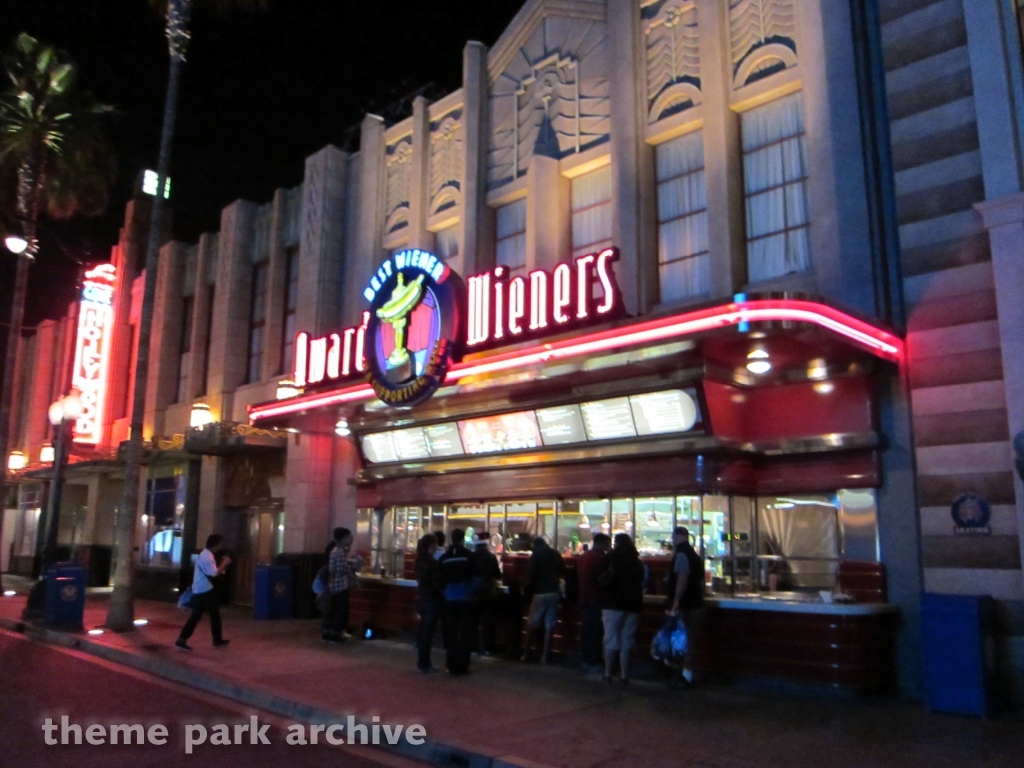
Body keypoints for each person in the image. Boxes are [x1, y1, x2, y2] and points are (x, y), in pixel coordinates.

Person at [596, 533, 645, 685]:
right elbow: (642, 581)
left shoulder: (609, 558)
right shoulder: (637, 562)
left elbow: (600, 578)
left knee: (610, 638)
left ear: (616, 543)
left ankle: (608, 674)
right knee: (626, 640)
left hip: (612, 603)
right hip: (633, 605)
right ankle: (624, 676)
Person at [176, 534, 232, 650]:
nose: (221, 547)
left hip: (201, 589)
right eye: (220, 544)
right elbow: (214, 573)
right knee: (213, 615)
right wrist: (224, 564)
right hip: (205, 590)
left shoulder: (204, 554)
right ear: (215, 544)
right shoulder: (208, 557)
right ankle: (216, 640)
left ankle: (182, 639)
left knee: (197, 616)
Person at [667, 526, 705, 688]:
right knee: (690, 640)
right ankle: (687, 675)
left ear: (676, 536)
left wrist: (676, 602)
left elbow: (682, 578)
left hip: (686, 604)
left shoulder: (681, 554)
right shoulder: (694, 555)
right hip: (697, 603)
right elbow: (700, 582)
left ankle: (685, 677)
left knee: (683, 641)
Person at [438, 528, 478, 674]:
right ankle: (463, 665)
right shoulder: (469, 556)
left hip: (449, 599)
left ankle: (451, 663)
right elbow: (476, 578)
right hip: (466, 599)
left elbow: (440, 580)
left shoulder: (445, 558)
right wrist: (471, 591)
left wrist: (446, 592)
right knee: (465, 632)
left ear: (451, 539)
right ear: (463, 539)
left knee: (451, 632)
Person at [522, 536, 566, 664]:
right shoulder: (555, 553)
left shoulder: (536, 554)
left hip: (539, 593)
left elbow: (531, 574)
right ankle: (545, 656)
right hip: (553, 592)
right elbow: (562, 571)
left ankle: (525, 652)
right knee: (549, 626)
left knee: (532, 624)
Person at [576, 532, 611, 673]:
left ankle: (585, 660)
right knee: (595, 632)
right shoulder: (600, 559)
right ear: (602, 544)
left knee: (586, 631)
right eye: (608, 545)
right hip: (596, 599)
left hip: (584, 598)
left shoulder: (583, 557)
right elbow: (603, 580)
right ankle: (593, 662)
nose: (609, 547)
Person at [322, 527, 360, 643]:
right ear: (342, 539)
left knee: (332, 611)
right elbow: (341, 569)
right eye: (348, 537)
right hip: (340, 586)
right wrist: (353, 567)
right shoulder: (339, 551)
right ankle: (336, 635)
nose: (350, 539)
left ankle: (327, 634)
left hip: (333, 586)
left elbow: (332, 568)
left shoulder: (334, 550)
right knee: (340, 611)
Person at [414, 534, 444, 672]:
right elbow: (437, 582)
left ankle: (422, 662)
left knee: (423, 632)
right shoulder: (432, 562)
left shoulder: (419, 560)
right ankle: (425, 663)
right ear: (432, 546)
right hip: (432, 599)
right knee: (428, 633)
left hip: (422, 598)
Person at [470, 531, 501, 655]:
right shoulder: (491, 557)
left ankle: (473, 648)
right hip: (488, 593)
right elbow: (497, 575)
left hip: (473, 594)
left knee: (473, 622)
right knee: (488, 623)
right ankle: (488, 647)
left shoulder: (470, 557)